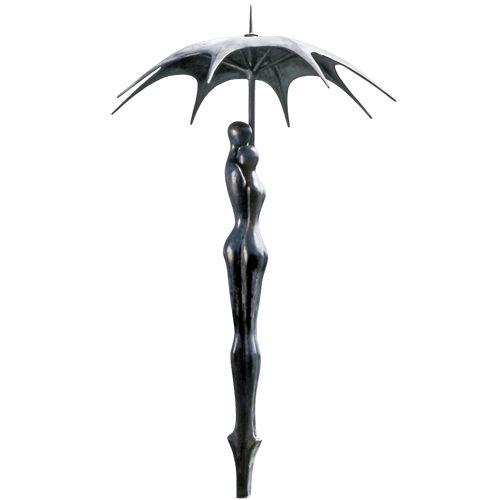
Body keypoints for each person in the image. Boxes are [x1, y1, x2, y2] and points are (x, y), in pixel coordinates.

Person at [223, 121, 268, 498]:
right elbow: (247, 191)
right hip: (241, 246)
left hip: (254, 246)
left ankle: (246, 434)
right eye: (243, 138)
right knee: (245, 332)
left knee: (249, 332)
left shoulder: (243, 165)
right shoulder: (236, 167)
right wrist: (246, 158)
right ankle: (243, 434)